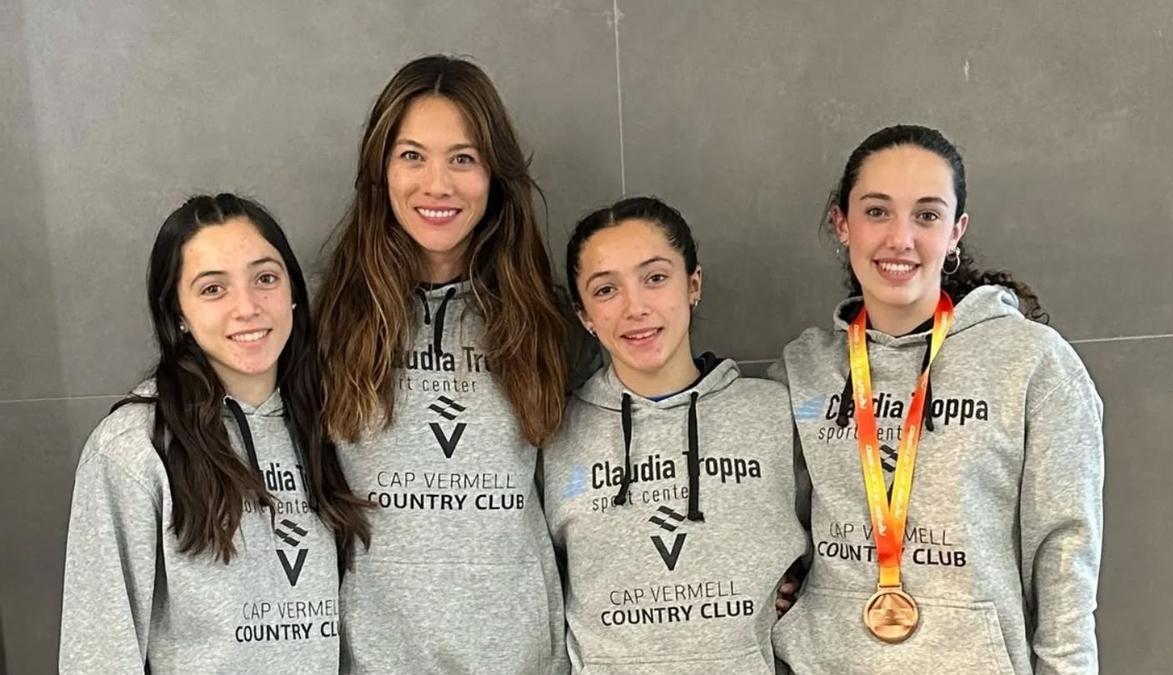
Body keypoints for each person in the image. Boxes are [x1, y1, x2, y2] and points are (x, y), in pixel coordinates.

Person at [770, 124, 1104, 674]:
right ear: (842, 223)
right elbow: (773, 524)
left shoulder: (1032, 363)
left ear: (955, 231)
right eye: (877, 211)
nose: (901, 238)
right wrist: (778, 581)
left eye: (926, 215)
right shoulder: (803, 370)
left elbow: (1066, 555)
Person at [316, 55, 581, 673]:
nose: (437, 185)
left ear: (495, 174)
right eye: (412, 156)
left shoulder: (551, 322)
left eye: (463, 158)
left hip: (523, 661)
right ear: (380, 170)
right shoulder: (324, 320)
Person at [60, 193, 370, 673]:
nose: (247, 307)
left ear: (292, 292)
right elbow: (99, 651)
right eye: (212, 289)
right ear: (177, 313)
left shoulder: (333, 424)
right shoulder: (133, 448)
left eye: (265, 278)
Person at [542, 196, 807, 673]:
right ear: (584, 315)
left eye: (655, 278)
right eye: (606, 290)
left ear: (693, 285)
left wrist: (799, 587)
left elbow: (844, 542)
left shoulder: (773, 414)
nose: (635, 307)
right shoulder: (555, 434)